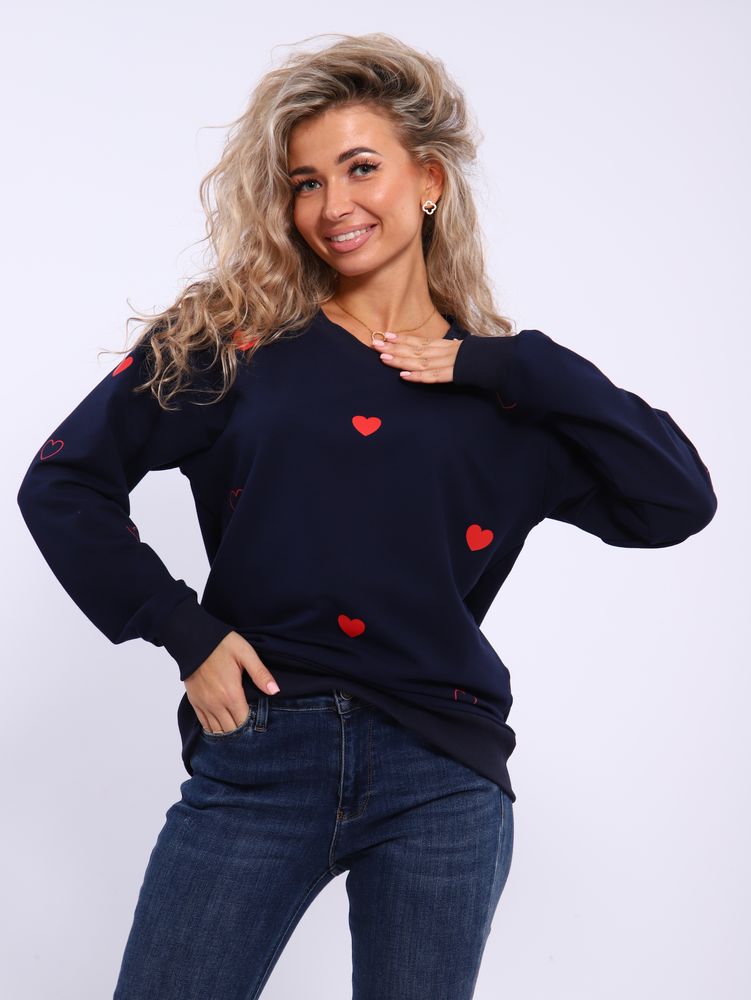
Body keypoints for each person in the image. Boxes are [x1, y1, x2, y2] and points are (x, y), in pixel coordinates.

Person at [16, 31, 717, 1000]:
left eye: (359, 168)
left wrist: (515, 360)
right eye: (305, 182)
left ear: (428, 178)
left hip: (443, 773)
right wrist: (183, 630)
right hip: (262, 751)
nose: (331, 206)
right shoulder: (235, 337)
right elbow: (62, 481)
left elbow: (676, 498)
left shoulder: (504, 396)